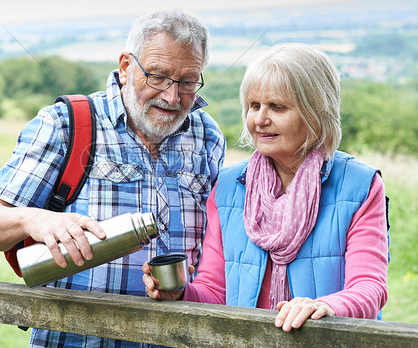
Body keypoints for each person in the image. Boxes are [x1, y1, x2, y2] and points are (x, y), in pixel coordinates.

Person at [0, 9, 226, 347]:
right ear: (127, 67)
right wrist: (35, 220)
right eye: (158, 76)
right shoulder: (66, 123)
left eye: (188, 81)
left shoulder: (208, 135)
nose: (172, 97)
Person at [143, 43, 389, 332]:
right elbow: (215, 291)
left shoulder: (360, 185)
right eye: (254, 106)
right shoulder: (227, 187)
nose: (260, 120)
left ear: (315, 112)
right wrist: (180, 294)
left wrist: (326, 306)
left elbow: (370, 287)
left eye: (277, 107)